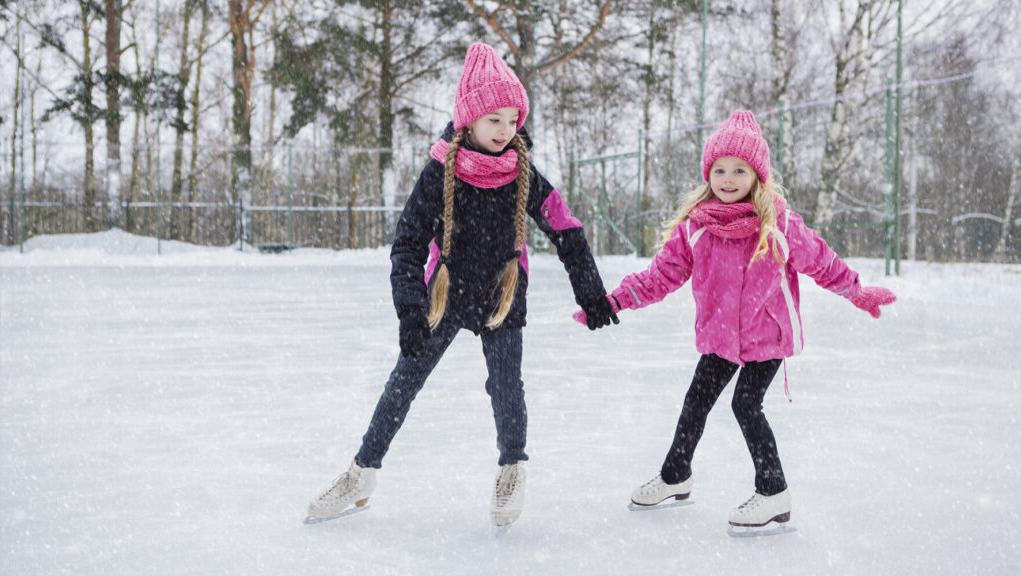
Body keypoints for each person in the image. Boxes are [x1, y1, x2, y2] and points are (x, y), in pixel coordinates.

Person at [307, 43, 618, 527]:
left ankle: (512, 467)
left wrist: (591, 291)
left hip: (503, 297)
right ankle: (362, 471)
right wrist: (411, 310)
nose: (505, 129)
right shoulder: (440, 171)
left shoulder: (522, 173)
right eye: (494, 119)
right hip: (444, 296)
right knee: (403, 382)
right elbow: (408, 243)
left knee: (506, 386)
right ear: (468, 120)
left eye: (513, 119)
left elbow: (566, 228)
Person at [576, 110, 896, 529]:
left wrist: (855, 291)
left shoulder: (776, 221)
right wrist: (612, 302)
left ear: (757, 176)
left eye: (739, 169)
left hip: (768, 334)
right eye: (720, 169)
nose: (728, 178)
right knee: (696, 403)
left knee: (746, 404)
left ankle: (773, 491)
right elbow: (660, 275)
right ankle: (676, 476)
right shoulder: (697, 226)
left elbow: (820, 259)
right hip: (721, 336)